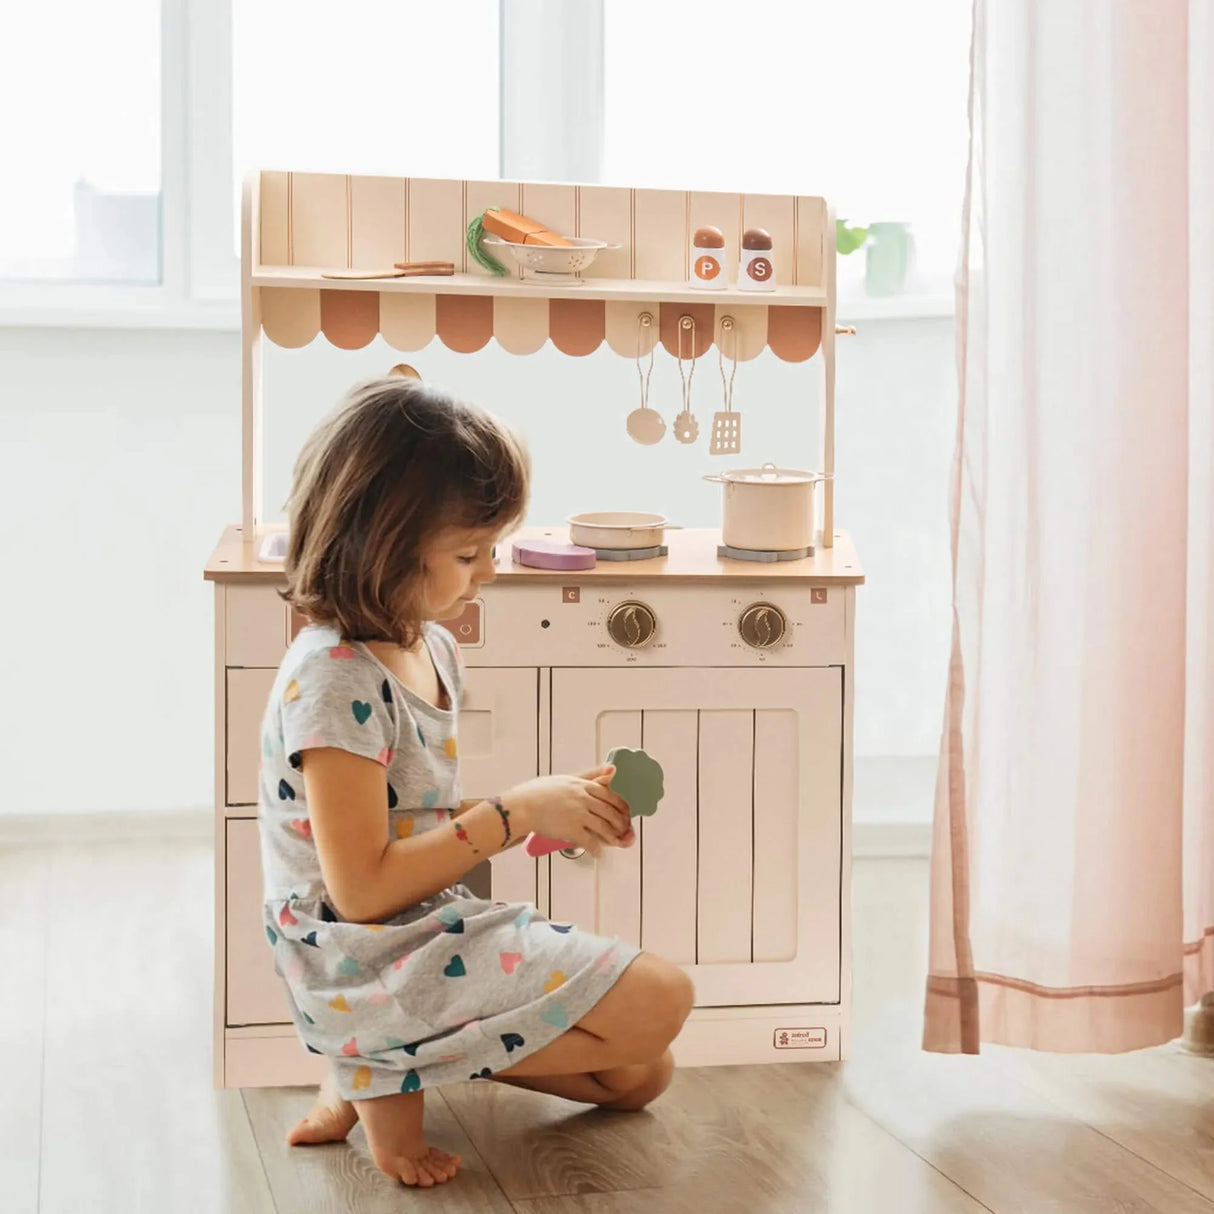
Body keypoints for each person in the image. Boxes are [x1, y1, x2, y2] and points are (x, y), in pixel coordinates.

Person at [257, 376, 695, 1187]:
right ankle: (374, 1063)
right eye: (470, 553)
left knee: (641, 1075)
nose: (488, 571)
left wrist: (552, 808)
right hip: (362, 954)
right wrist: (511, 809)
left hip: (421, 927)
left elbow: (406, 819)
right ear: (381, 542)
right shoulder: (333, 679)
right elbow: (358, 890)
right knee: (662, 999)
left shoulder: (428, 645)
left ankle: (380, 1061)